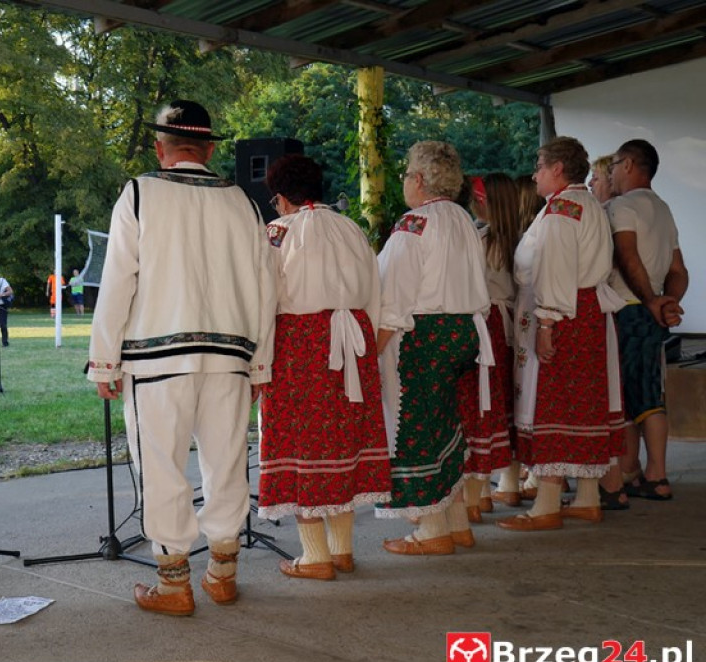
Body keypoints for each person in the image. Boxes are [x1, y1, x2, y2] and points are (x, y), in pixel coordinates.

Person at [88, 99, 276, 615]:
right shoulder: (242, 200)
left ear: (160, 146)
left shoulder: (140, 193)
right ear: (210, 147)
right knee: (227, 463)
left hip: (157, 361)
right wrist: (262, 364)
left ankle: (174, 583)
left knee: (163, 469)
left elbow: (118, 280)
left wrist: (104, 361)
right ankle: (222, 572)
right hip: (231, 357)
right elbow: (266, 287)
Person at [256, 154, 390, 580]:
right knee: (341, 439)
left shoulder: (278, 233)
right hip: (354, 340)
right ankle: (342, 550)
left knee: (301, 445)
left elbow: (263, 302)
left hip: (301, 346)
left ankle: (315, 558)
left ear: (280, 198)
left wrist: (258, 363)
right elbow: (375, 292)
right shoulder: (350, 228)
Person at [498, 137, 626, 533]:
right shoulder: (586, 203)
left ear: (557, 168)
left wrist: (548, 323)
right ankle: (587, 498)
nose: (535, 174)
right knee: (582, 403)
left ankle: (548, 504)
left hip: (566, 313)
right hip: (585, 312)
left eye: (539, 166)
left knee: (556, 402)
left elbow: (554, 266)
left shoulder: (561, 209)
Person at [374, 141, 491, 555]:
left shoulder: (415, 223)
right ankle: (456, 521)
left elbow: (392, 298)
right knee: (446, 425)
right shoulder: (462, 218)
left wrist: (372, 354)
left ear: (419, 180)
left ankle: (431, 530)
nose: (405, 181)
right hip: (464, 331)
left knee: (413, 429)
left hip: (423, 335)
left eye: (407, 174)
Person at [604, 139, 688, 505]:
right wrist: (669, 303)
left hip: (629, 307)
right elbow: (678, 270)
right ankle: (640, 471)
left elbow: (626, 255)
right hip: (650, 310)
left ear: (629, 164)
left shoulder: (623, 206)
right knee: (648, 391)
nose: (610, 173)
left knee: (628, 395)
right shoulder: (663, 208)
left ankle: (651, 475)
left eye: (613, 165)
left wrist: (654, 301)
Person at [463, 174, 521, 519]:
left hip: (486, 323)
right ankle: (509, 483)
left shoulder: (481, 239)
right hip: (510, 324)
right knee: (505, 400)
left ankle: (478, 493)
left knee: (482, 404)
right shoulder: (518, 238)